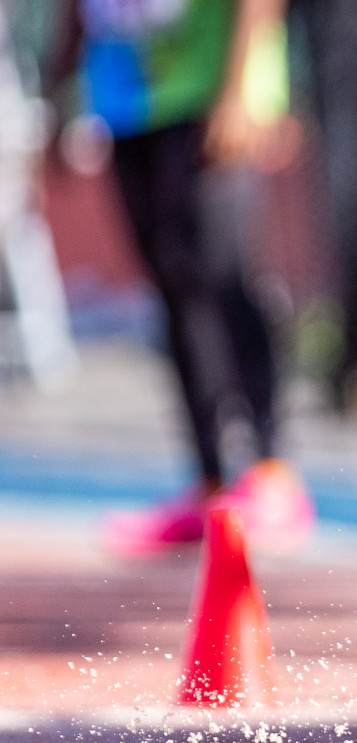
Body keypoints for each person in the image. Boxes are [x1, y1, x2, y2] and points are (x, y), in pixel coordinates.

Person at [46, 0, 315, 554]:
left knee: (218, 273)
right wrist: (59, 92)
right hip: (125, 100)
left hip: (208, 92)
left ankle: (272, 472)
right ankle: (209, 483)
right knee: (169, 287)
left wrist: (239, 91)